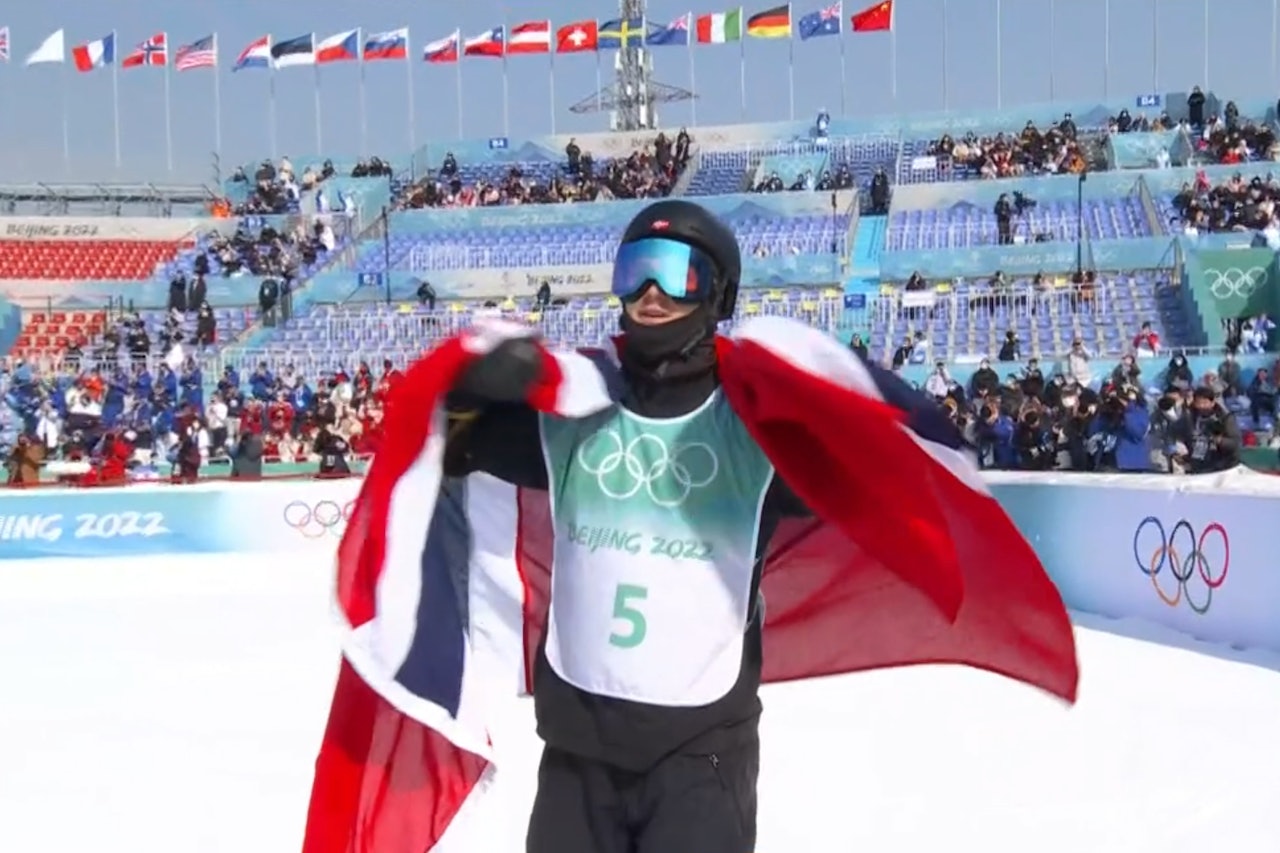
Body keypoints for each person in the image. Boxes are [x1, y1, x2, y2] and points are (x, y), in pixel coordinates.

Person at [443, 199, 803, 853]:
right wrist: (474, 387)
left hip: (700, 753)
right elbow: (447, 445)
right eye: (635, 269)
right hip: (578, 749)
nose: (650, 292)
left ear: (717, 292)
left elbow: (869, 472)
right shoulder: (575, 407)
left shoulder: (754, 425)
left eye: (675, 272)